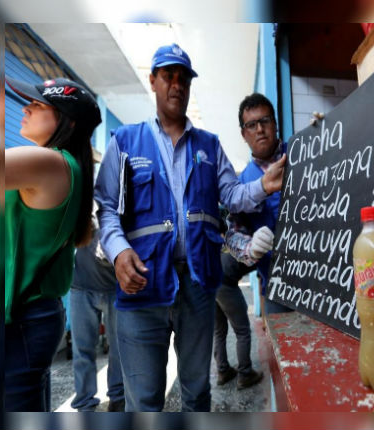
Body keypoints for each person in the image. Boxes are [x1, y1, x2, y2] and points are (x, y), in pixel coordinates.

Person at [94, 43, 285, 412]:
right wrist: (118, 252)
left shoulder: (209, 146)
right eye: (168, 76)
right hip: (142, 287)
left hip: (198, 288)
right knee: (145, 398)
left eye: (183, 78)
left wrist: (264, 185)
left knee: (198, 392)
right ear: (153, 81)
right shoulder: (125, 142)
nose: (176, 85)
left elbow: (231, 195)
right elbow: (107, 209)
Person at [5, 76, 101, 411]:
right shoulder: (63, 166)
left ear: (67, 122)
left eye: (39, 104)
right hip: (32, 319)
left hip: (22, 323)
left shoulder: (51, 162)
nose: (26, 108)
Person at [214, 94, 292, 388]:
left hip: (321, 278)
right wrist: (249, 249)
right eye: (251, 125)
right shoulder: (241, 183)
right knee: (283, 366)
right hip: (276, 286)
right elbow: (232, 236)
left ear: (275, 124)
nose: (259, 129)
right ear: (243, 134)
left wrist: (321, 135)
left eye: (264, 121)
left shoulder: (304, 153)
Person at [69, 202, 125, 412]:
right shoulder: (82, 199)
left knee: (119, 349)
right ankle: (84, 402)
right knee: (82, 350)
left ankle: (118, 397)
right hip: (81, 287)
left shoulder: (119, 202)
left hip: (115, 288)